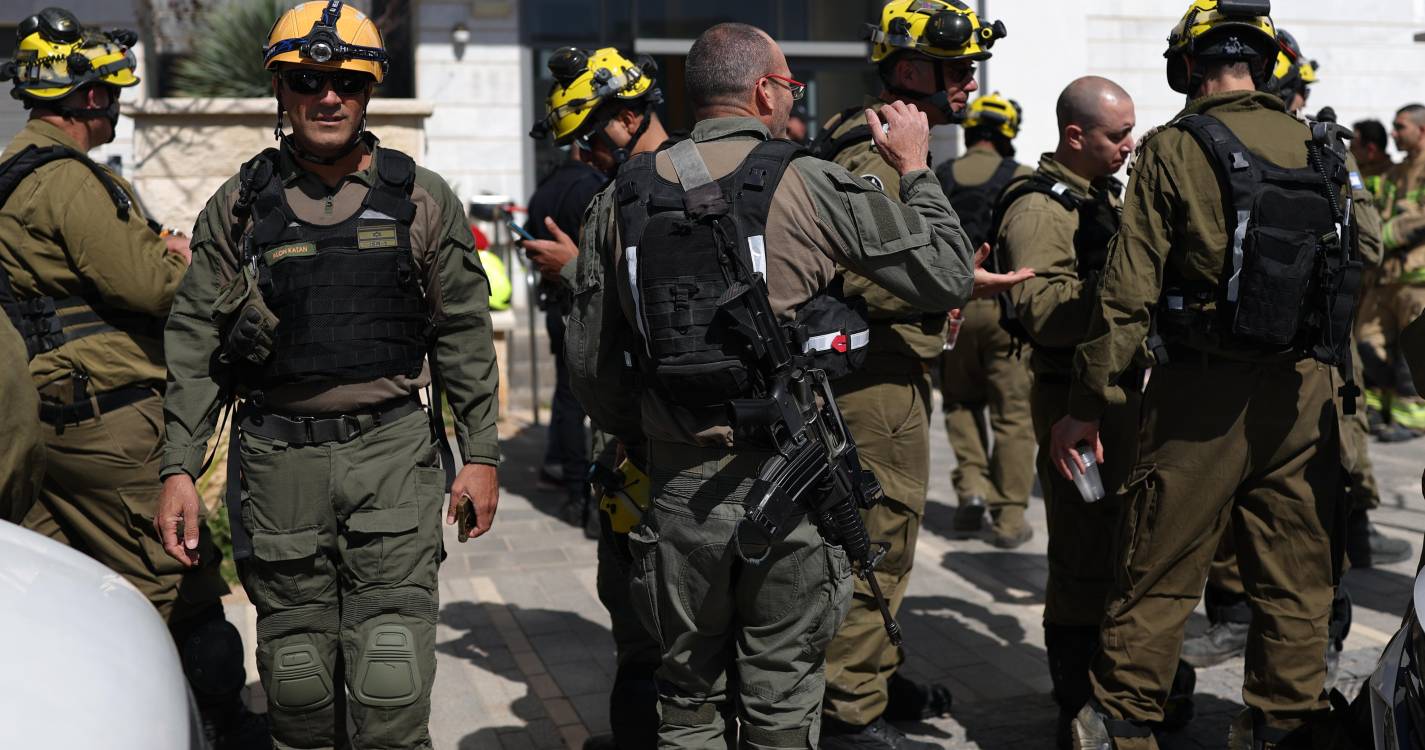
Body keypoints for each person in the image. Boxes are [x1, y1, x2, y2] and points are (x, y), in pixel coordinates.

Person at [568, 21, 1023, 750]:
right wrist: (912, 167)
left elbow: (590, 359)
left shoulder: (622, 194)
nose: (792, 98)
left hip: (678, 481)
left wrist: (644, 431)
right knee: (782, 693)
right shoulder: (806, 177)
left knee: (687, 693)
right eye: (788, 85)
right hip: (791, 476)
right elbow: (940, 274)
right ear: (761, 90)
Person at [155, 2, 501, 747]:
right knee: (299, 682)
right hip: (280, 466)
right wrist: (179, 469)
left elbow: (463, 333)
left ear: (369, 92)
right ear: (283, 90)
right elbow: (191, 340)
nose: (328, 96)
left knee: (391, 677)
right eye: (308, 80)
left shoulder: (421, 199)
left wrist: (480, 456)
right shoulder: (239, 207)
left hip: (391, 459)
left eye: (345, 80)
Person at [1050, 1, 1364, 746]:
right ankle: (1285, 725)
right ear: (1265, 64)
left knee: (1158, 566)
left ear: (1185, 66)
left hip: (1199, 397)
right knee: (1295, 575)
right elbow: (1365, 261)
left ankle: (1124, 726)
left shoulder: (1171, 147)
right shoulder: (1322, 145)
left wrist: (1087, 403)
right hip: (1302, 390)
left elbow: (1126, 292)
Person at [0, 9, 262, 747]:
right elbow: (150, 285)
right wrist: (176, 251)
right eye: (109, 93)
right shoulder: (68, 182)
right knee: (183, 586)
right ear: (86, 100)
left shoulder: (10, 173)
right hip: (109, 425)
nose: (114, 105)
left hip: (46, 421)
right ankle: (220, 725)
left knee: (75, 591)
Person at [807, 5, 1028, 746]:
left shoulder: (880, 143)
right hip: (876, 381)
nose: (969, 83)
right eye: (956, 68)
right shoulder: (875, 156)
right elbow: (866, 273)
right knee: (881, 539)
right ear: (907, 70)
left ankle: (869, 674)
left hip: (888, 369)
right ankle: (849, 710)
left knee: (879, 539)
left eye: (971, 67)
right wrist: (946, 281)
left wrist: (953, 279)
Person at [524, 45, 669, 750]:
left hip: (645, 442)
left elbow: (611, 346)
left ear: (625, 119)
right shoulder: (715, 180)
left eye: (590, 137)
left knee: (641, 624)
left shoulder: (637, 198)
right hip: (703, 449)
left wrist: (574, 270)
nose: (587, 156)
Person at [995, 76, 1143, 748]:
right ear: (1075, 135)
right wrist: (1121, 297)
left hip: (1110, 398)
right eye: (1117, 134)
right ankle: (1076, 695)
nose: (1128, 145)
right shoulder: (1039, 209)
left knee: (1120, 539)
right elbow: (1040, 311)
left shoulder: (1098, 197)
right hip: (1070, 402)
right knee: (1084, 546)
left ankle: (1117, 677)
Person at [933, 92, 1036, 549]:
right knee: (1013, 415)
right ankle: (1010, 519)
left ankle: (970, 489)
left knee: (959, 402)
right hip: (1005, 310)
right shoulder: (1023, 178)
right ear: (1008, 134)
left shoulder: (941, 176)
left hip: (953, 310)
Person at [1358, 103, 1425, 440]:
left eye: (1400, 127)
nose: (1393, 134)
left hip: (1418, 279)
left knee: (1413, 350)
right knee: (1367, 342)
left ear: (1421, 130)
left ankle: (1411, 417)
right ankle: (1378, 407)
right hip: (1385, 277)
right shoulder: (1396, 172)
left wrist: (1389, 233)